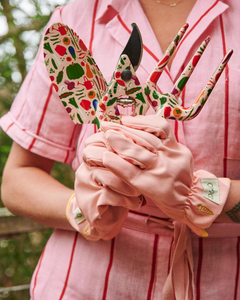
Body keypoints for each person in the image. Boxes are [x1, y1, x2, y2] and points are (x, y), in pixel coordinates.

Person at [1, 0, 240, 299]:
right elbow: (18, 178)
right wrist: (81, 209)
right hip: (81, 284)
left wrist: (204, 195)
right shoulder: (77, 15)